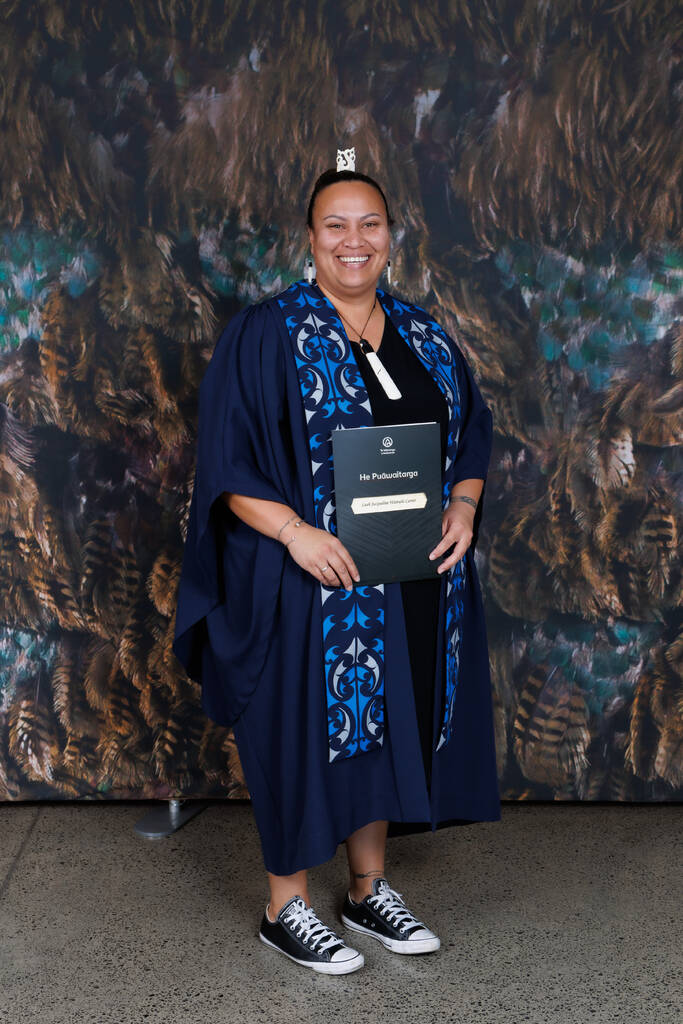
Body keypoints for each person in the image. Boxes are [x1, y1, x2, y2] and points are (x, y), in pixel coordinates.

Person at [172, 156, 501, 975]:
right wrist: (294, 535)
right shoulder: (265, 332)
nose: (353, 241)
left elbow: (471, 436)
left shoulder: (425, 332)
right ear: (309, 238)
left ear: (391, 237)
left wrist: (461, 506)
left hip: (406, 577)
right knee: (298, 734)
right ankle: (287, 906)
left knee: (386, 723)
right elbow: (225, 460)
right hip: (302, 579)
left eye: (369, 225)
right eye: (334, 225)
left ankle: (365, 890)